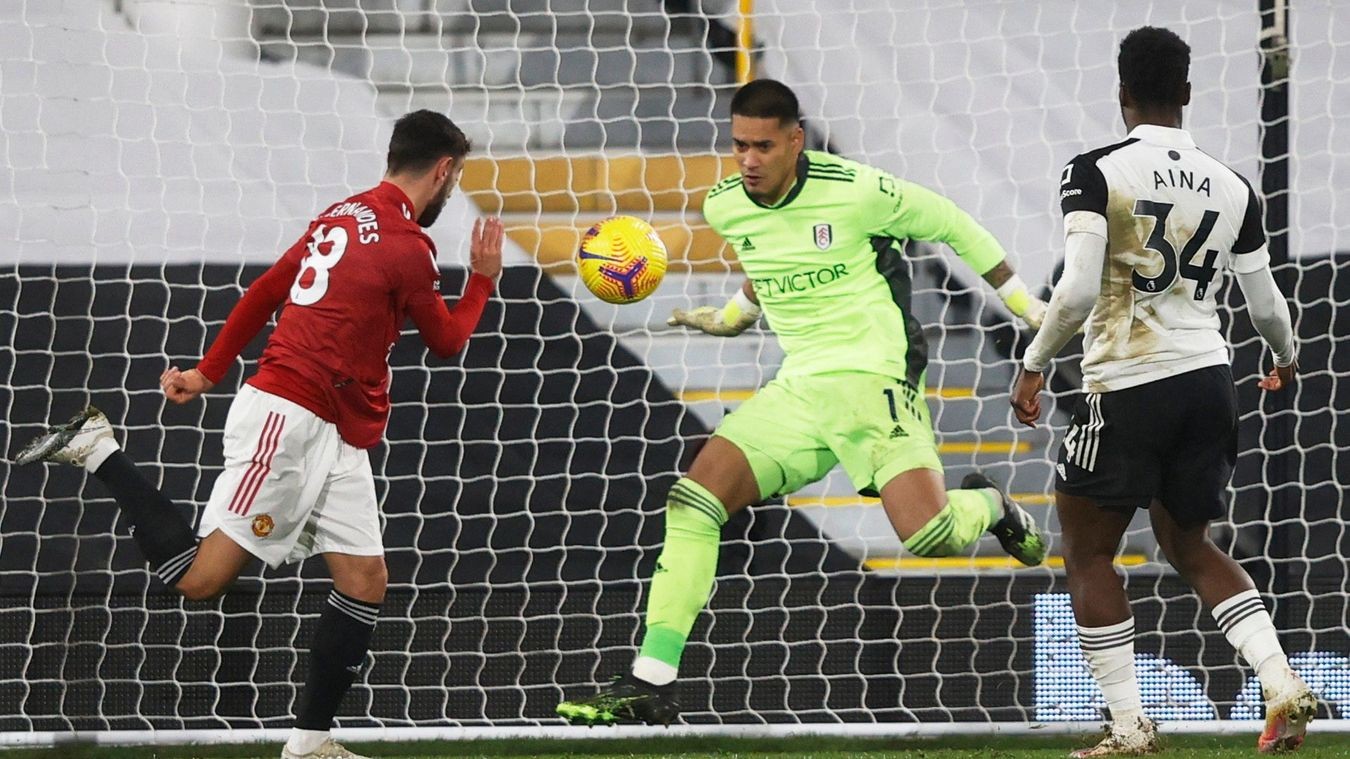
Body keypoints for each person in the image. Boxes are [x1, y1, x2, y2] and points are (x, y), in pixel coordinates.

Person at [556, 78, 1049, 727]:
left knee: (927, 532)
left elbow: (954, 224)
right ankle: (650, 680)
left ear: (795, 140)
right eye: (739, 146)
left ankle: (991, 503)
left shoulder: (858, 191)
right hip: (800, 386)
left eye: (763, 145)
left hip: (875, 375)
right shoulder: (726, 205)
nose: (749, 160)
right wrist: (731, 317)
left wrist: (1028, 308)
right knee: (694, 501)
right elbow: (767, 261)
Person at [16, 110, 503, 759]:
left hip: (336, 429)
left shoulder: (340, 214)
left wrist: (207, 370)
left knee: (365, 578)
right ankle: (99, 448)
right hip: (289, 415)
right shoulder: (408, 245)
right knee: (198, 579)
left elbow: (270, 287)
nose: (452, 186)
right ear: (443, 170)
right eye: (456, 175)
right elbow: (446, 340)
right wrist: (484, 279)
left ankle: (307, 742)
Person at [1010, 26, 1316, 757]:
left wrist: (1034, 360)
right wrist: (1286, 356)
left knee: (1087, 555)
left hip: (1127, 384)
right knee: (1190, 543)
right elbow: (1266, 302)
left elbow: (1079, 288)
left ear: (1121, 95)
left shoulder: (1095, 171)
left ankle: (1129, 727)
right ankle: (1280, 680)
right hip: (1209, 381)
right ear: (1187, 92)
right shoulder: (1232, 183)